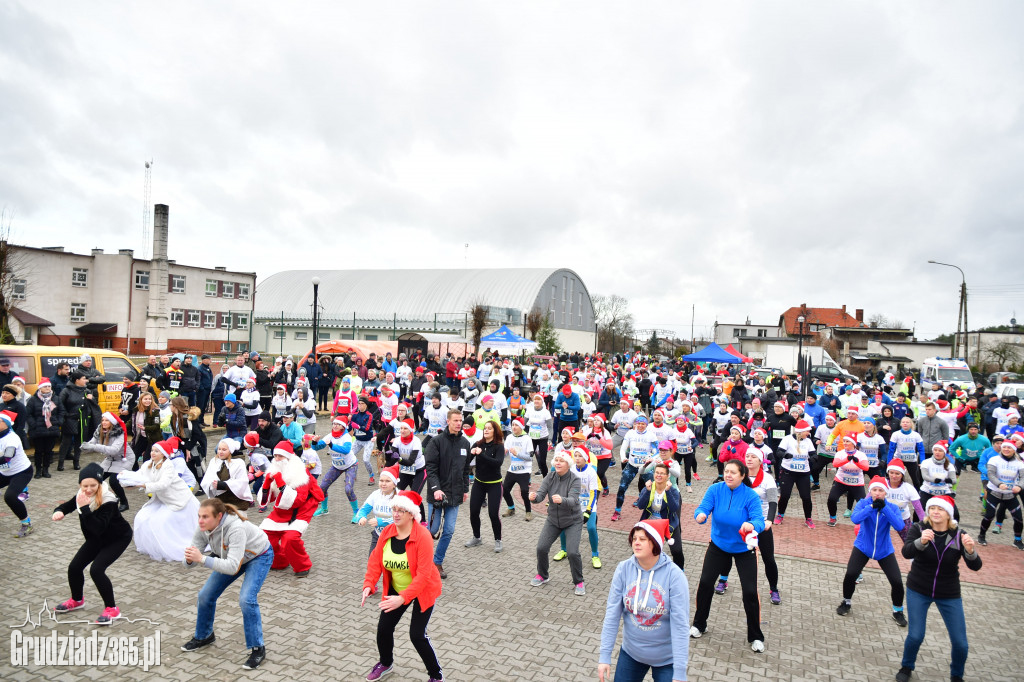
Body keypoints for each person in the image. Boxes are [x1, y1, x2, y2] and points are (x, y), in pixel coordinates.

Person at [895, 496, 982, 682]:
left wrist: (970, 551)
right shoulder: (919, 528)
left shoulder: (958, 535)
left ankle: (956, 675)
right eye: (932, 508)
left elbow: (975, 566)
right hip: (918, 589)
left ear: (948, 514)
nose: (935, 512)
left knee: (960, 643)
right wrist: (921, 542)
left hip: (949, 593)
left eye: (940, 509)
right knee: (916, 635)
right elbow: (906, 552)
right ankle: (906, 667)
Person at [361, 490, 444, 682]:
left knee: (417, 635)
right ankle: (385, 663)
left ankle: (436, 675)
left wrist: (403, 598)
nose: (396, 514)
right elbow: (375, 560)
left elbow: (423, 575)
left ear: (411, 514)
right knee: (383, 628)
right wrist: (369, 584)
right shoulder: (388, 532)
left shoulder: (423, 536)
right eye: (394, 509)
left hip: (422, 589)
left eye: (401, 510)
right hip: (397, 587)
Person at [182, 497, 273, 670]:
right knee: (205, 595)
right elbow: (190, 563)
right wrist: (188, 560)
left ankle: (257, 648)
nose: (200, 521)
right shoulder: (202, 528)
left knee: (246, 599)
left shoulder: (235, 528)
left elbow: (232, 567)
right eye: (199, 516)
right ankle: (204, 636)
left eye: (205, 517)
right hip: (233, 558)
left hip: (258, 555)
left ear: (219, 516)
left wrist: (201, 559)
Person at [598, 518, 689, 682]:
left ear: (654, 543)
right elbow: (612, 615)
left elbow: (680, 625)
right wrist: (604, 656)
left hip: (667, 660)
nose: (636, 543)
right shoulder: (624, 569)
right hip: (631, 654)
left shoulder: (675, 576)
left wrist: (680, 671)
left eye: (642, 539)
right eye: (634, 538)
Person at [690, 459, 766, 652]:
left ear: (742, 476)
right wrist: (700, 515)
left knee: (749, 592)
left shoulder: (750, 496)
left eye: (733, 472)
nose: (729, 475)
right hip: (719, 545)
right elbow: (702, 508)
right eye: (726, 471)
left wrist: (752, 525)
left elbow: (759, 520)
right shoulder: (715, 489)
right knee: (706, 583)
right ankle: (699, 625)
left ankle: (756, 637)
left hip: (744, 550)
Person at [51, 462, 133, 624]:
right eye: (85, 486)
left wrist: (85, 508)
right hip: (97, 538)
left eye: (93, 486)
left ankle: (112, 609)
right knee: (74, 567)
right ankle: (77, 600)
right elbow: (67, 506)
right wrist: (58, 512)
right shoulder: (81, 494)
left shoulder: (109, 500)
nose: (88, 490)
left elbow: (97, 528)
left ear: (100, 483)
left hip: (117, 538)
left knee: (96, 570)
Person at [835, 476, 907, 626]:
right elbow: (855, 519)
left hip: (884, 550)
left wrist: (884, 508)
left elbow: (900, 526)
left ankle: (897, 611)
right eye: (874, 490)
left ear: (886, 493)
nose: (877, 493)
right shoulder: (864, 503)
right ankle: (846, 602)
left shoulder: (892, 508)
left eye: (881, 490)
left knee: (897, 581)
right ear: (870, 491)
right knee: (851, 574)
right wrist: (872, 507)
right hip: (863, 547)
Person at [123, 439, 201, 561]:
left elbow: (163, 484)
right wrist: (126, 479)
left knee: (161, 521)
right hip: (161, 499)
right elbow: (138, 476)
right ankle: (152, 546)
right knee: (141, 517)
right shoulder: (148, 464)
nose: (152, 453)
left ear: (163, 454)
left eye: (156, 451)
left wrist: (143, 485)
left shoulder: (168, 466)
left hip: (178, 499)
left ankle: (170, 546)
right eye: (152, 450)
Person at [257, 441, 322, 577]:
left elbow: (298, 501)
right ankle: (279, 561)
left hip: (301, 510)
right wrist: (267, 483)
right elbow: (265, 501)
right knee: (265, 536)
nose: (277, 459)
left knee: (290, 538)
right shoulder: (274, 469)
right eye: (275, 456)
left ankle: (303, 565)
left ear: (288, 457)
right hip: (281, 510)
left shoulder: (300, 473)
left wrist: (280, 483)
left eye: (280, 456)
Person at [529, 450, 586, 596]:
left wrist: (562, 500)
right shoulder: (550, 476)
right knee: (541, 548)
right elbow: (541, 494)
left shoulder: (575, 479)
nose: (558, 463)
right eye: (556, 460)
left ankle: (579, 581)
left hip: (573, 521)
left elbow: (573, 500)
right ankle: (543, 575)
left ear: (568, 464)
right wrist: (534, 497)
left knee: (572, 552)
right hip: (553, 519)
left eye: (562, 461)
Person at [423, 409, 472, 580]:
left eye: (461, 420)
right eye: (456, 420)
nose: (459, 423)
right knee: (433, 529)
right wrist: (436, 488)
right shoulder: (436, 442)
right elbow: (430, 468)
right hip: (437, 494)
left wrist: (465, 489)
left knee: (449, 530)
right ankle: (422, 556)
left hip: (455, 495)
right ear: (448, 421)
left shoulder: (465, 444)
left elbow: (466, 469)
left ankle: (436, 562)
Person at [745, 447, 781, 605]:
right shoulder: (741, 476)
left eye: (753, 456)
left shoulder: (768, 479)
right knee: (732, 553)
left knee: (769, 558)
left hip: (762, 524)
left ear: (760, 461)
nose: (749, 459)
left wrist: (769, 520)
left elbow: (773, 501)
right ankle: (723, 580)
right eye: (747, 456)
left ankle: (774, 589)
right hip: (744, 524)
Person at [464, 421, 505, 552]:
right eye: (485, 428)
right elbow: (467, 462)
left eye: (489, 428)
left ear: (495, 431)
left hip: (494, 484)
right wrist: (471, 453)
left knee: (493, 514)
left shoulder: (499, 446)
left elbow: (497, 463)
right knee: (474, 512)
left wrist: (481, 454)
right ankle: (477, 537)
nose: (486, 430)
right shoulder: (478, 444)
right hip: (479, 483)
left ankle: (498, 540)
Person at [79, 412, 132, 512]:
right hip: (110, 459)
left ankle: (124, 503)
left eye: (106, 420)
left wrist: (94, 447)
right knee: (96, 477)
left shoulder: (119, 432)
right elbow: (92, 443)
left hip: (124, 459)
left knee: (114, 481)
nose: (104, 422)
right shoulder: (99, 430)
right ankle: (96, 500)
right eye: (102, 420)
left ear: (112, 422)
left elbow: (114, 450)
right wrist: (85, 446)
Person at [636, 461, 683, 571]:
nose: (659, 475)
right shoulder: (648, 488)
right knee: (639, 549)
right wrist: (647, 491)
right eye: (657, 472)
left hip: (668, 523)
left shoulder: (673, 491)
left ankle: (680, 572)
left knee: (677, 551)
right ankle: (639, 570)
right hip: (650, 523)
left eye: (662, 473)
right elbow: (640, 506)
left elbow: (674, 508)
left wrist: (667, 492)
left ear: (668, 476)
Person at [977, 440, 1024, 549]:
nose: (1006, 449)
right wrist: (999, 484)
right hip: (994, 493)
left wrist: (1020, 486)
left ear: (1014, 450)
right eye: (1004, 447)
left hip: (1010, 495)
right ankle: (981, 536)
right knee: (989, 516)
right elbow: (991, 474)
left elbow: (1023, 477)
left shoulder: (1019, 463)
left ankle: (1017, 540)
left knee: (1018, 518)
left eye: (1009, 448)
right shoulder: (994, 460)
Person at [775, 419, 816, 529]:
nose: (808, 433)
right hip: (788, 472)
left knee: (806, 497)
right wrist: (785, 455)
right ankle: (780, 515)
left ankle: (808, 518)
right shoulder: (787, 439)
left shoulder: (808, 441)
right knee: (785, 495)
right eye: (807, 431)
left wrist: (814, 458)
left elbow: (813, 453)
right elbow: (778, 452)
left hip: (803, 473)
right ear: (800, 431)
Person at [312, 417, 357, 518]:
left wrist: (331, 445)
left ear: (343, 427)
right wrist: (314, 442)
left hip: (351, 465)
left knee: (348, 489)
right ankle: (324, 509)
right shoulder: (330, 436)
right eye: (334, 423)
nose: (335, 425)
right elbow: (317, 447)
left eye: (338, 424)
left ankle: (356, 513)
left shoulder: (346, 437)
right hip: (336, 466)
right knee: (322, 487)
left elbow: (346, 450)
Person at [0, 410, 33, 537]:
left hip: (22, 472)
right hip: (4, 472)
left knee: (10, 496)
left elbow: (7, 457)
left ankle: (27, 524)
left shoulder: (12, 438)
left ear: (6, 424)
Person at [353, 465, 400, 554]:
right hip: (378, 535)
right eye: (381, 480)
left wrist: (381, 521)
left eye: (387, 481)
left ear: (394, 484)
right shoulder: (375, 495)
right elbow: (363, 510)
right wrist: (361, 517)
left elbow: (401, 519)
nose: (383, 484)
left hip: (396, 537)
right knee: (372, 563)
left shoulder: (400, 497)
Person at [200, 438, 254, 510]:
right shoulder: (214, 461)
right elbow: (207, 478)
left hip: (237, 502)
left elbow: (242, 482)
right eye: (219, 449)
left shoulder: (238, 463)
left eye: (224, 450)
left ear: (230, 451)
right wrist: (211, 484)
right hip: (220, 502)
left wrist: (223, 485)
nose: (220, 452)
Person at [27, 377, 62, 479]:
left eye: (49, 386)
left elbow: (61, 411)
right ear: (40, 388)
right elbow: (28, 414)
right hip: (38, 430)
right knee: (38, 451)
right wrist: (34, 424)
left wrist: (58, 422)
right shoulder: (33, 400)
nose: (47, 388)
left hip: (52, 429)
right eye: (45, 386)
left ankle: (46, 469)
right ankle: (38, 470)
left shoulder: (56, 398)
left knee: (48, 451)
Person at [58, 371, 93, 471]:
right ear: (77, 380)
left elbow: (92, 407)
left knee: (79, 442)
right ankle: (61, 463)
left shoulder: (87, 391)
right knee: (66, 442)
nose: (86, 380)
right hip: (69, 419)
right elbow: (60, 404)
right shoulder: (66, 391)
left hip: (82, 420)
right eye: (83, 378)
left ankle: (76, 462)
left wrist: (91, 400)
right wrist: (66, 416)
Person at [501, 418, 534, 520]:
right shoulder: (509, 437)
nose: (514, 427)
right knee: (504, 490)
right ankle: (511, 508)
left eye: (516, 425)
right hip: (512, 469)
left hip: (524, 470)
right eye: (513, 425)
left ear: (522, 427)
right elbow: (506, 455)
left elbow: (530, 457)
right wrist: (504, 452)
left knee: (524, 491)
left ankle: (528, 512)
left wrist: (518, 454)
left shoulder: (527, 438)